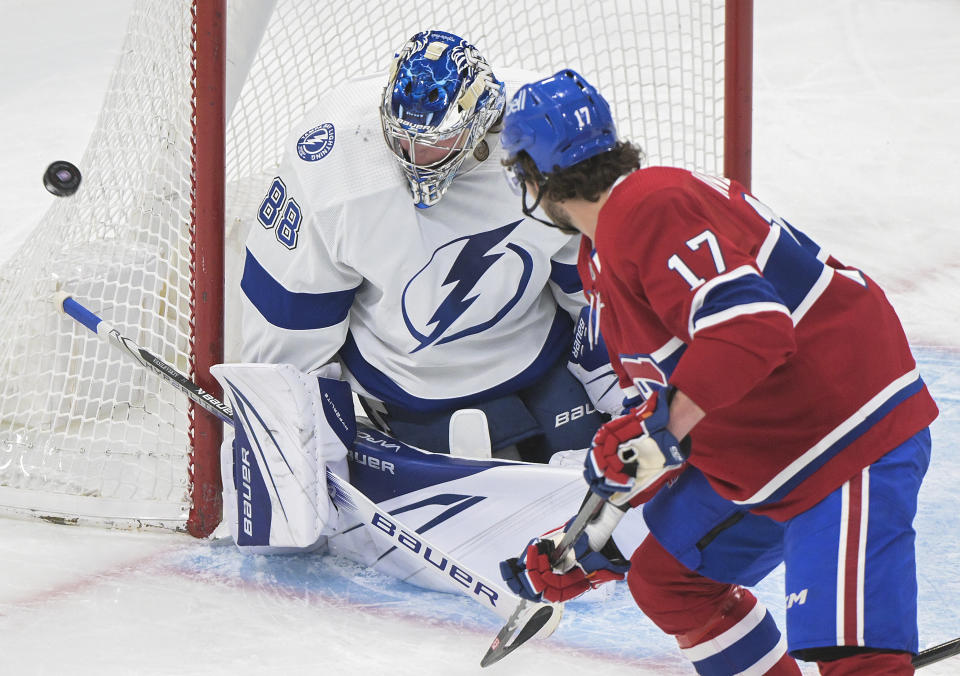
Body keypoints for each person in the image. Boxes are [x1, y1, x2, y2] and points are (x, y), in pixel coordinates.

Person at [497, 69, 938, 675]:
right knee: (666, 580)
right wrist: (594, 543)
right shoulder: (601, 249)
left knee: (857, 661)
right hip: (767, 443)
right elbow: (670, 415)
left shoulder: (648, 208)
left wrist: (658, 429)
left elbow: (751, 329)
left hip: (842, 432)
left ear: (532, 178)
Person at [236, 31, 621, 464]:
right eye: (402, 140)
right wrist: (301, 448)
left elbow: (592, 275)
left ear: (478, 121)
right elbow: (291, 325)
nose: (414, 157)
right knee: (490, 500)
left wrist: (620, 373)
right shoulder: (337, 164)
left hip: (539, 356)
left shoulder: (546, 134)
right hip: (411, 388)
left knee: (594, 473)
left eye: (434, 142)